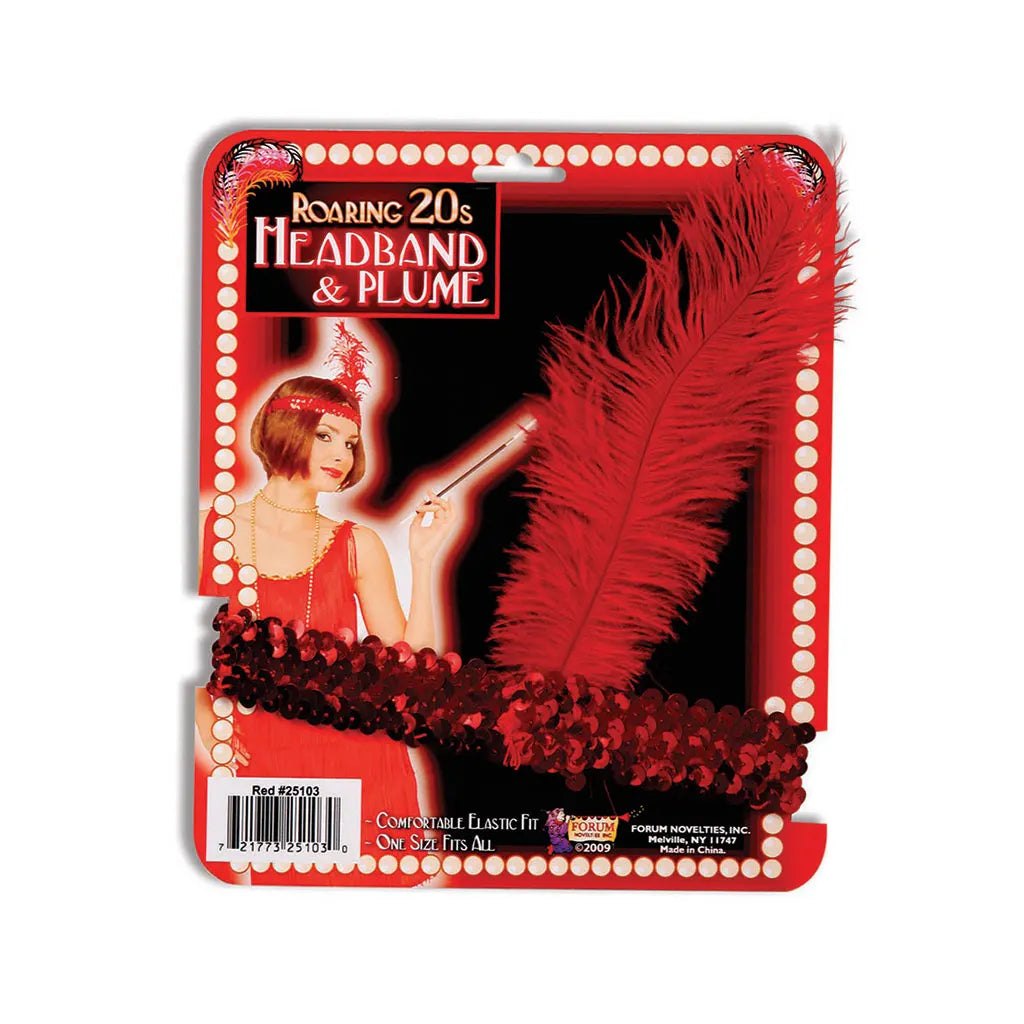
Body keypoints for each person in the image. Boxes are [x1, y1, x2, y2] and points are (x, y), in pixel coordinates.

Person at [198, 372, 456, 886]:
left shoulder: (359, 544)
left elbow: (411, 672)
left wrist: (424, 560)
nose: (342, 453)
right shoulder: (210, 529)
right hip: (268, 762)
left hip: (364, 762)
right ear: (284, 427)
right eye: (325, 435)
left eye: (351, 443)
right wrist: (203, 718)